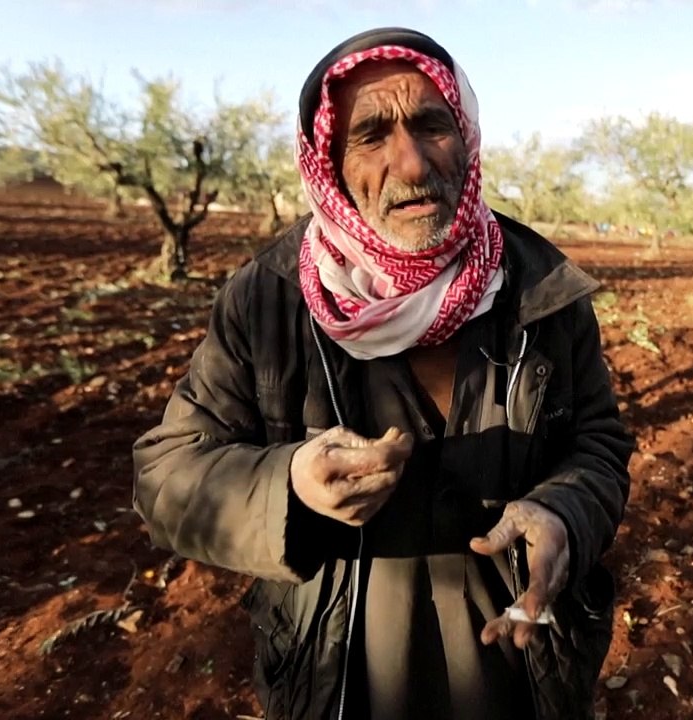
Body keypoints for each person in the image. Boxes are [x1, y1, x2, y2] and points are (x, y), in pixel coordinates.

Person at [131, 28, 633, 720]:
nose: (412, 162)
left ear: (469, 135)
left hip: (518, 666)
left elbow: (598, 441)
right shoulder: (270, 299)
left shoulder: (540, 289)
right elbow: (165, 476)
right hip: (340, 671)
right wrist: (291, 486)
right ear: (328, 163)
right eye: (371, 135)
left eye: (433, 125)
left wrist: (564, 513)